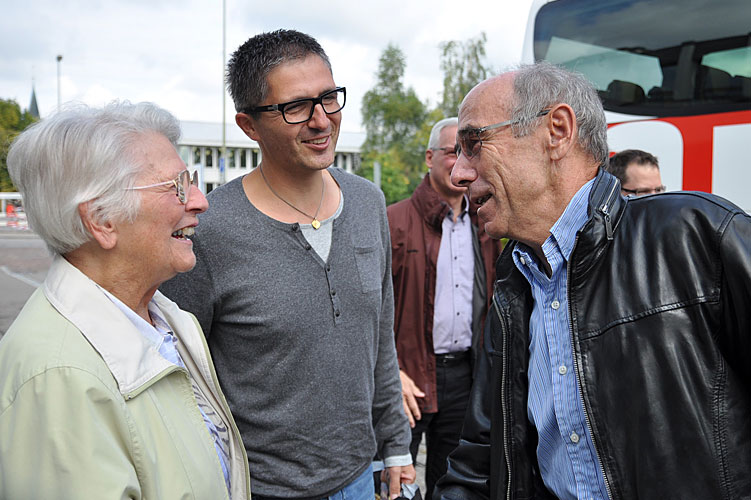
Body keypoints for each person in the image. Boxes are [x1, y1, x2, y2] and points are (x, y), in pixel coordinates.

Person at [434, 61, 751, 499]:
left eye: (474, 144)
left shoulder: (697, 234)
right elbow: (482, 460)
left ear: (557, 131)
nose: (458, 173)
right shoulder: (513, 286)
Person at [160, 29, 414, 499]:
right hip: (260, 488)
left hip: (361, 478)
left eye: (329, 99)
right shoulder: (211, 231)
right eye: (296, 107)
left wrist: (396, 445)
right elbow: (181, 374)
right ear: (249, 126)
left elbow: (379, 338)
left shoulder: (367, 202)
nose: (321, 121)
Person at [0, 102, 250, 499]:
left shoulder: (167, 318)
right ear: (101, 219)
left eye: (193, 180)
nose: (201, 201)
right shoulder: (59, 379)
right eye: (176, 186)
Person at [387, 117, 500, 498]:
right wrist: (390, 369)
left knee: (451, 480)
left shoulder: (486, 221)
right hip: (408, 378)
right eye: (454, 151)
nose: (461, 162)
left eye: (471, 152)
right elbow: (372, 307)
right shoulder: (394, 221)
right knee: (395, 481)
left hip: (465, 377)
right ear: (429, 157)